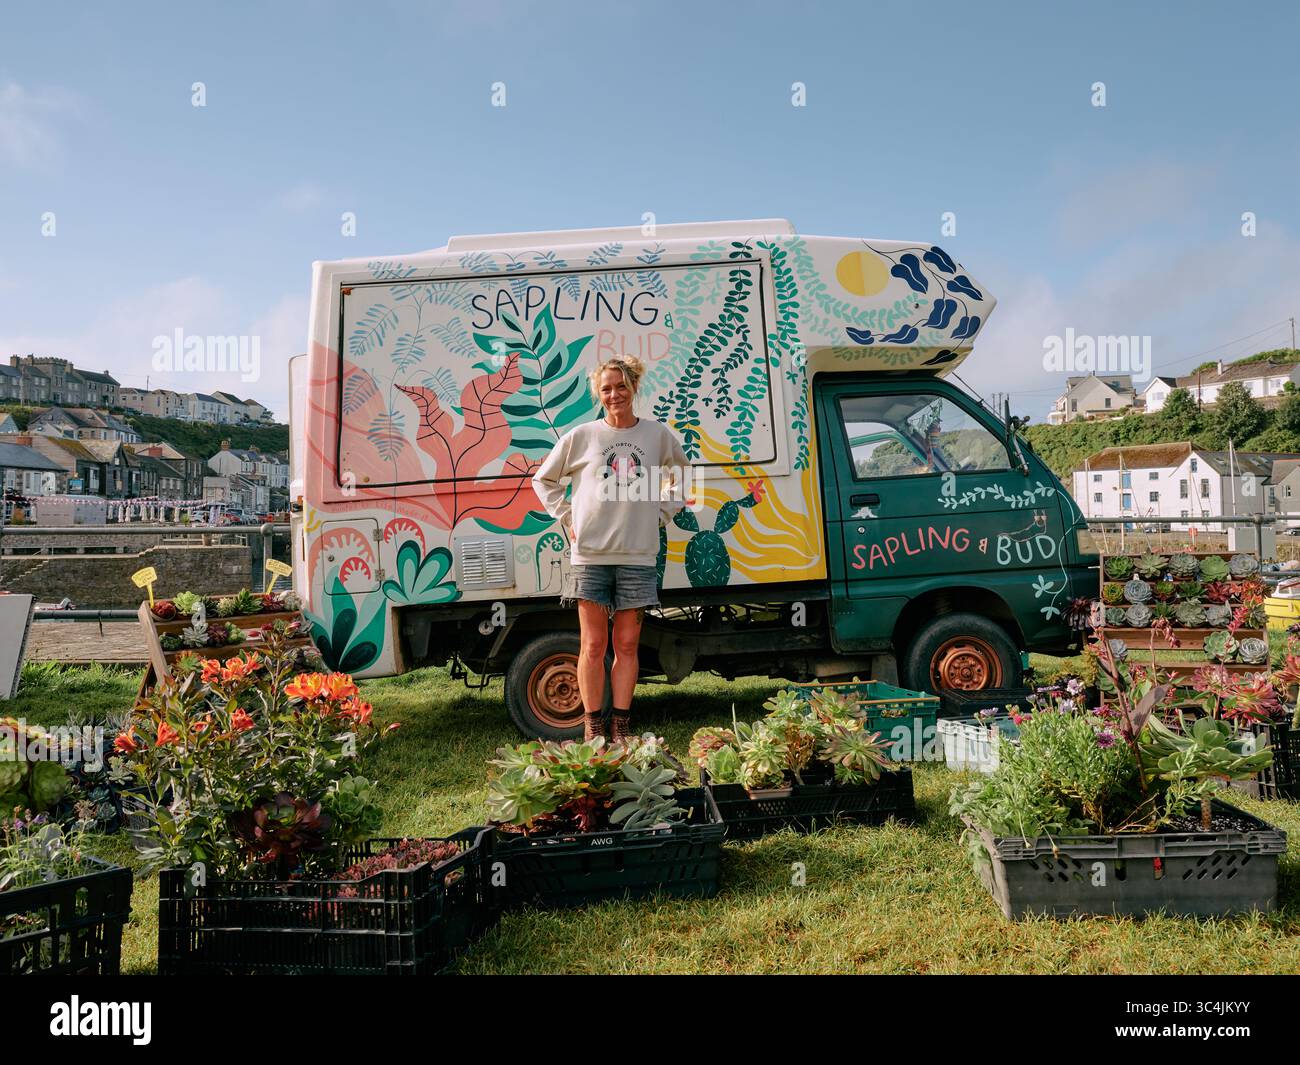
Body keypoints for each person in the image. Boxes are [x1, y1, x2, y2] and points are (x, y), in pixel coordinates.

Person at [531, 355, 689, 742]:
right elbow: (543, 480)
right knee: (593, 644)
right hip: (591, 557)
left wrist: (661, 513)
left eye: (621, 386)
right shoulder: (582, 437)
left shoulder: (657, 436)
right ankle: (592, 727)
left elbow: (684, 476)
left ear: (634, 386)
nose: (614, 394)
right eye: (606, 389)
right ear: (598, 394)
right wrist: (568, 518)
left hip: (637, 555)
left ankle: (620, 724)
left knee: (628, 644)